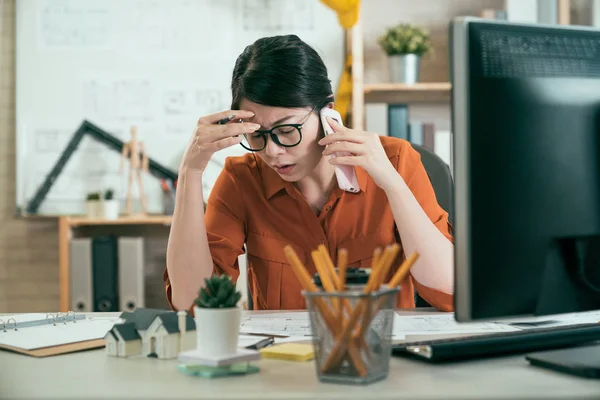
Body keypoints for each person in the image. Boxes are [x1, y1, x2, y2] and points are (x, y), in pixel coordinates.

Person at [164, 34, 454, 313]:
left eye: (287, 130)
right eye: (257, 135)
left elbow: (449, 291)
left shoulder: (396, 160)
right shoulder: (241, 180)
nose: (273, 151)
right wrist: (190, 170)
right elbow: (194, 303)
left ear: (327, 111)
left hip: (379, 356)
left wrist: (392, 184)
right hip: (285, 359)